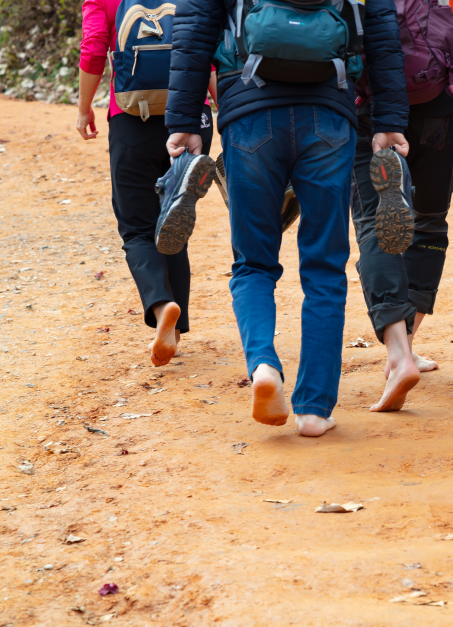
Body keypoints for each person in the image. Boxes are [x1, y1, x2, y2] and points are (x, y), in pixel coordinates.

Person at [164, 0, 408, 436]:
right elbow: (384, 33)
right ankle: (314, 409)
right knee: (325, 267)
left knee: (253, 263)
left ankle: (263, 365)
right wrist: (390, 119)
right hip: (329, 113)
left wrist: (183, 120)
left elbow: (194, 27)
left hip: (249, 111)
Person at [352, 0, 453, 411]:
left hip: (371, 109)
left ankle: (397, 352)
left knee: (375, 223)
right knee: (429, 220)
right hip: (439, 99)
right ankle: (409, 345)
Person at [76, 0, 217, 367]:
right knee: (174, 220)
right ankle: (176, 328)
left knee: (138, 229)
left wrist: (83, 108)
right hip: (192, 117)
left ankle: (161, 304)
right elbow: (211, 50)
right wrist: (225, 112)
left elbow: (93, 49)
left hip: (131, 119)